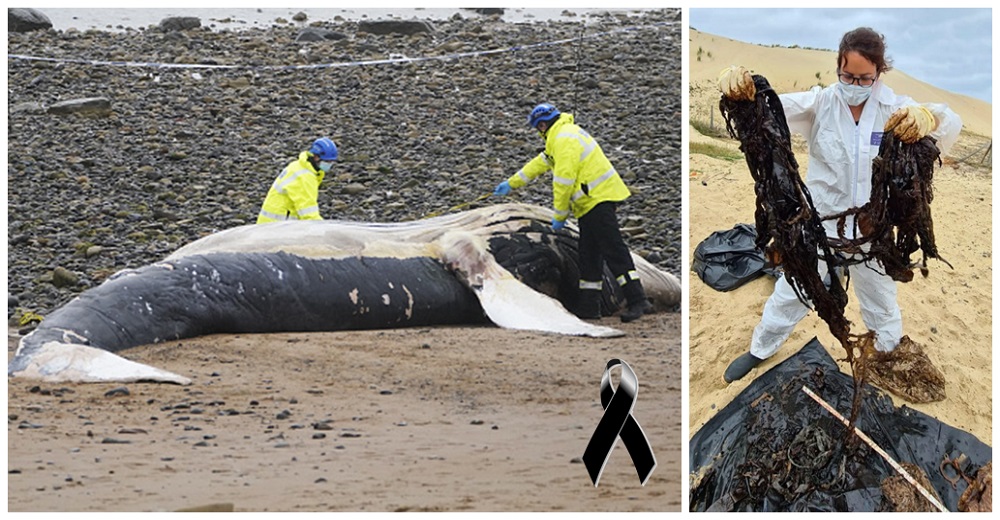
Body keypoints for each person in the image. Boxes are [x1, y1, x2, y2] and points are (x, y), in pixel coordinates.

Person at [718, 27, 962, 383]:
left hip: (870, 231)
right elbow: (767, 108)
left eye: (865, 78)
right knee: (792, 292)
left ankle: (888, 354)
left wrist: (929, 118)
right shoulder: (821, 104)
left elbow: (949, 121)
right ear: (838, 68)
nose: (855, 83)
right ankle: (761, 348)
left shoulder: (894, 108)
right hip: (819, 229)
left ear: (879, 72)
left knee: (881, 300)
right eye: (847, 75)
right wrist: (741, 88)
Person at [493, 103, 653, 323]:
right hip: (589, 203)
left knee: (613, 249)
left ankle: (638, 300)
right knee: (589, 254)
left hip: (598, 199)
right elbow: (541, 163)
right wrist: (511, 183)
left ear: (542, 124)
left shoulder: (564, 140)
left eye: (537, 128)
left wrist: (559, 216)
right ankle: (589, 305)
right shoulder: (561, 136)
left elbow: (563, 181)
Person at [257, 137, 339, 223]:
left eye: (331, 162)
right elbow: (308, 214)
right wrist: (325, 229)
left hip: (269, 224)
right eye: (327, 161)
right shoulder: (305, 177)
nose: (329, 164)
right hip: (278, 227)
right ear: (315, 156)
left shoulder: (298, 166)